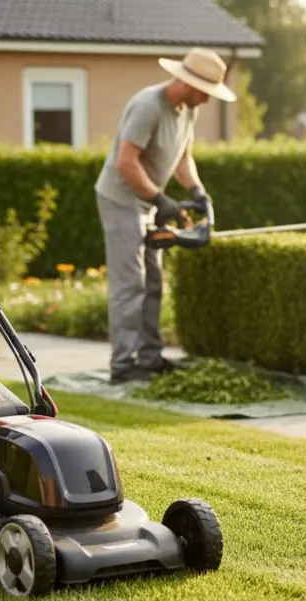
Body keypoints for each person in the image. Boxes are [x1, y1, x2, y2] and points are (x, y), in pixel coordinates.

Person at [95, 48, 236, 384]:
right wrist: (160, 199)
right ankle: (123, 365)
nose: (207, 100)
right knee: (130, 284)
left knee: (154, 281)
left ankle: (149, 357)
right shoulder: (148, 106)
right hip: (121, 200)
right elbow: (126, 162)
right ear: (189, 83)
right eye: (206, 92)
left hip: (147, 201)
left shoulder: (187, 110)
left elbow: (183, 156)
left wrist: (197, 191)